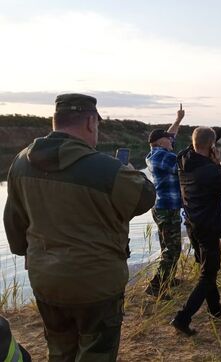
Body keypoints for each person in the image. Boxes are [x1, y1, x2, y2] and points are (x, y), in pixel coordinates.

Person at [3, 93, 156, 361]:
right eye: (97, 126)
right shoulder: (108, 170)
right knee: (96, 352)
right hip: (96, 284)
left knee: (60, 350)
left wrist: (31, 253)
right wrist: (130, 171)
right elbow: (145, 198)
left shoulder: (20, 162)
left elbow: (14, 226)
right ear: (89, 123)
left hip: (46, 281)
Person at [170, 117, 221, 336]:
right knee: (208, 275)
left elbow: (200, 141)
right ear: (211, 148)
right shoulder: (209, 171)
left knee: (206, 269)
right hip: (208, 227)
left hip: (192, 224)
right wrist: (218, 163)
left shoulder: (182, 158)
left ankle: (215, 309)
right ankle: (182, 318)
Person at [145, 106, 186, 299]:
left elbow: (171, 135)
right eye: (168, 139)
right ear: (160, 142)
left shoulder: (158, 151)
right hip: (167, 208)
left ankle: (167, 278)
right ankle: (156, 286)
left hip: (164, 207)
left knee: (166, 246)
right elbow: (182, 164)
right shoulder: (162, 156)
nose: (172, 140)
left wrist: (178, 120)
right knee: (173, 248)